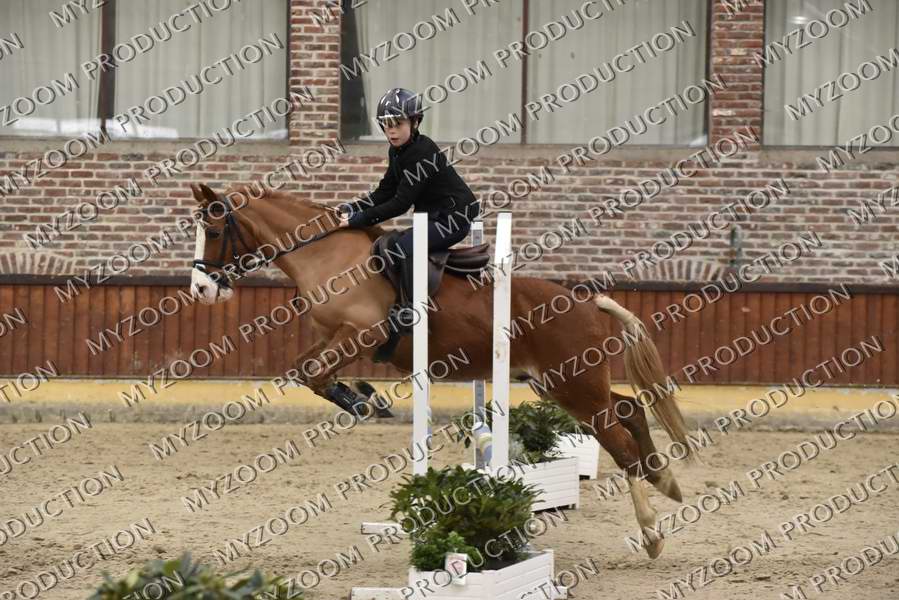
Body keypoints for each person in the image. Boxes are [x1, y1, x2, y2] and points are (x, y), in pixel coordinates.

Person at [336, 87, 480, 334]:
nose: (391, 130)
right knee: (391, 244)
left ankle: (411, 310)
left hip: (453, 219)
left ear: (415, 122)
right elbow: (385, 192)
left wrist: (359, 219)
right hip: (433, 218)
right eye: (386, 124)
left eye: (398, 124)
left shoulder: (422, 152)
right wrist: (353, 207)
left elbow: (400, 203)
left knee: (402, 247)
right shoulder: (397, 151)